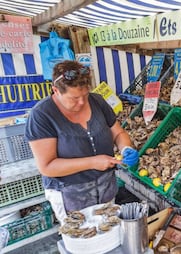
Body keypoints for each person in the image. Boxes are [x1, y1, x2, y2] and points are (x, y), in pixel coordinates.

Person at [25, 60, 139, 224]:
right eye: (74, 98)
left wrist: (125, 147)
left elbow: (118, 133)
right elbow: (47, 167)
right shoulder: (42, 115)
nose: (82, 102)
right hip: (70, 195)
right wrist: (93, 162)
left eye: (85, 95)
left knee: (109, 235)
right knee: (83, 242)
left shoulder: (97, 101)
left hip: (106, 189)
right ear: (56, 91)